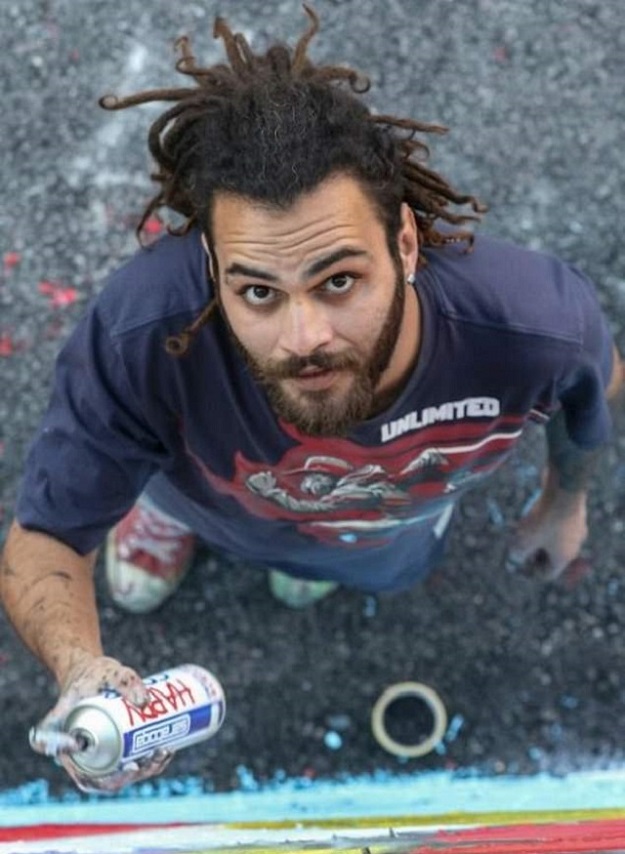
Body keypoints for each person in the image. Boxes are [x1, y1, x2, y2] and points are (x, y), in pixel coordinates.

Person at [0, 6, 622, 793]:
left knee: (354, 559)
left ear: (403, 242)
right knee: (152, 483)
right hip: (203, 491)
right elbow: (48, 536)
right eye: (257, 290)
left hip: (381, 527)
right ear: (212, 266)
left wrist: (564, 498)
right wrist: (80, 666)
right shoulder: (145, 333)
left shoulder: (534, 326)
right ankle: (159, 517)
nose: (303, 337)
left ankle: (317, 552)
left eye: (338, 280)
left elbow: (594, 391)